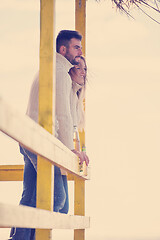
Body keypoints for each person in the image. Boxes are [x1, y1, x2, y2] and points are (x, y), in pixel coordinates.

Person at [9, 30, 89, 240]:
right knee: (56, 200)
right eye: (76, 47)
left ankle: (18, 238)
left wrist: (76, 86)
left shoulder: (57, 70)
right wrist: (69, 150)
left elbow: (70, 117)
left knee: (31, 198)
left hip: (33, 139)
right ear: (63, 49)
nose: (80, 50)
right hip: (40, 142)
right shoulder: (59, 71)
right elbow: (63, 115)